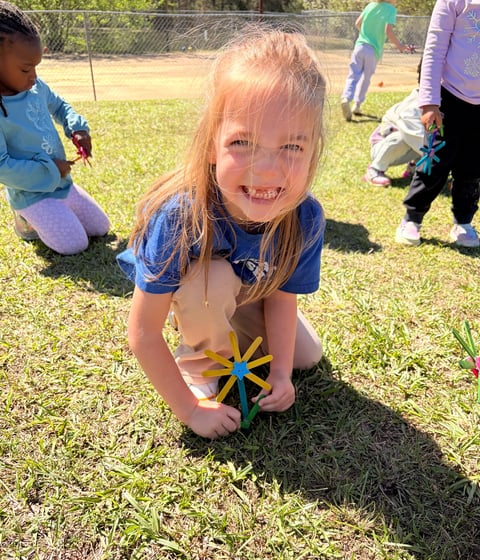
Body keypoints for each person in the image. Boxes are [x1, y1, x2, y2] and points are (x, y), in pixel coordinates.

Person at [117, 28, 326, 440]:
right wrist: (191, 410)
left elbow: (283, 297)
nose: (267, 170)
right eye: (242, 142)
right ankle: (199, 358)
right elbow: (142, 333)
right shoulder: (179, 215)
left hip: (252, 290)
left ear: (314, 150)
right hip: (199, 285)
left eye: (292, 147)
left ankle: (220, 322)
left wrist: (281, 374)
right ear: (212, 145)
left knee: (307, 357)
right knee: (209, 285)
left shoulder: (305, 217)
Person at [0, 1, 110, 255]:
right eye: (26, 69)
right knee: (74, 244)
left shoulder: (36, 87)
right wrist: (50, 169)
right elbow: (3, 166)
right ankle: (25, 219)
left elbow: (61, 106)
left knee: (100, 228)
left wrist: (77, 128)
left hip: (61, 183)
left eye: (37, 67)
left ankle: (56, 212)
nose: (34, 76)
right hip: (31, 193)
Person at [395, 0, 480, 248]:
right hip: (447, 99)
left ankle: (463, 222)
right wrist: (429, 103)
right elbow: (434, 50)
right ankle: (412, 218)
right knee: (434, 162)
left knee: (473, 168)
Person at [341, 0, 409, 122]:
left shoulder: (370, 5)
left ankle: (346, 97)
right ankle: (357, 105)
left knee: (353, 75)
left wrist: (366, 34)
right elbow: (388, 31)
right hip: (372, 50)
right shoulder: (390, 9)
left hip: (359, 46)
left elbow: (357, 23)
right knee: (366, 78)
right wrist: (399, 45)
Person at [363, 58, 423, 187]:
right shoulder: (413, 107)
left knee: (432, 134)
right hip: (383, 146)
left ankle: (416, 168)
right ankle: (375, 169)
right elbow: (417, 137)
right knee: (405, 136)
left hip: (410, 147)